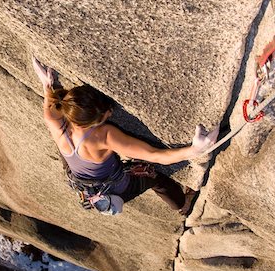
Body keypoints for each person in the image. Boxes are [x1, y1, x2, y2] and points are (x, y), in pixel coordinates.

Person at [32, 56, 219, 215]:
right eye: (107, 114)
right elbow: (155, 155)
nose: (110, 114)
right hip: (114, 188)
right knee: (154, 177)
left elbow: (51, 99)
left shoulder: (54, 118)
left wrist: (47, 85)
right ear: (94, 123)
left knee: (65, 152)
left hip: (81, 178)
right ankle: (182, 205)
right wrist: (194, 150)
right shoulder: (103, 136)